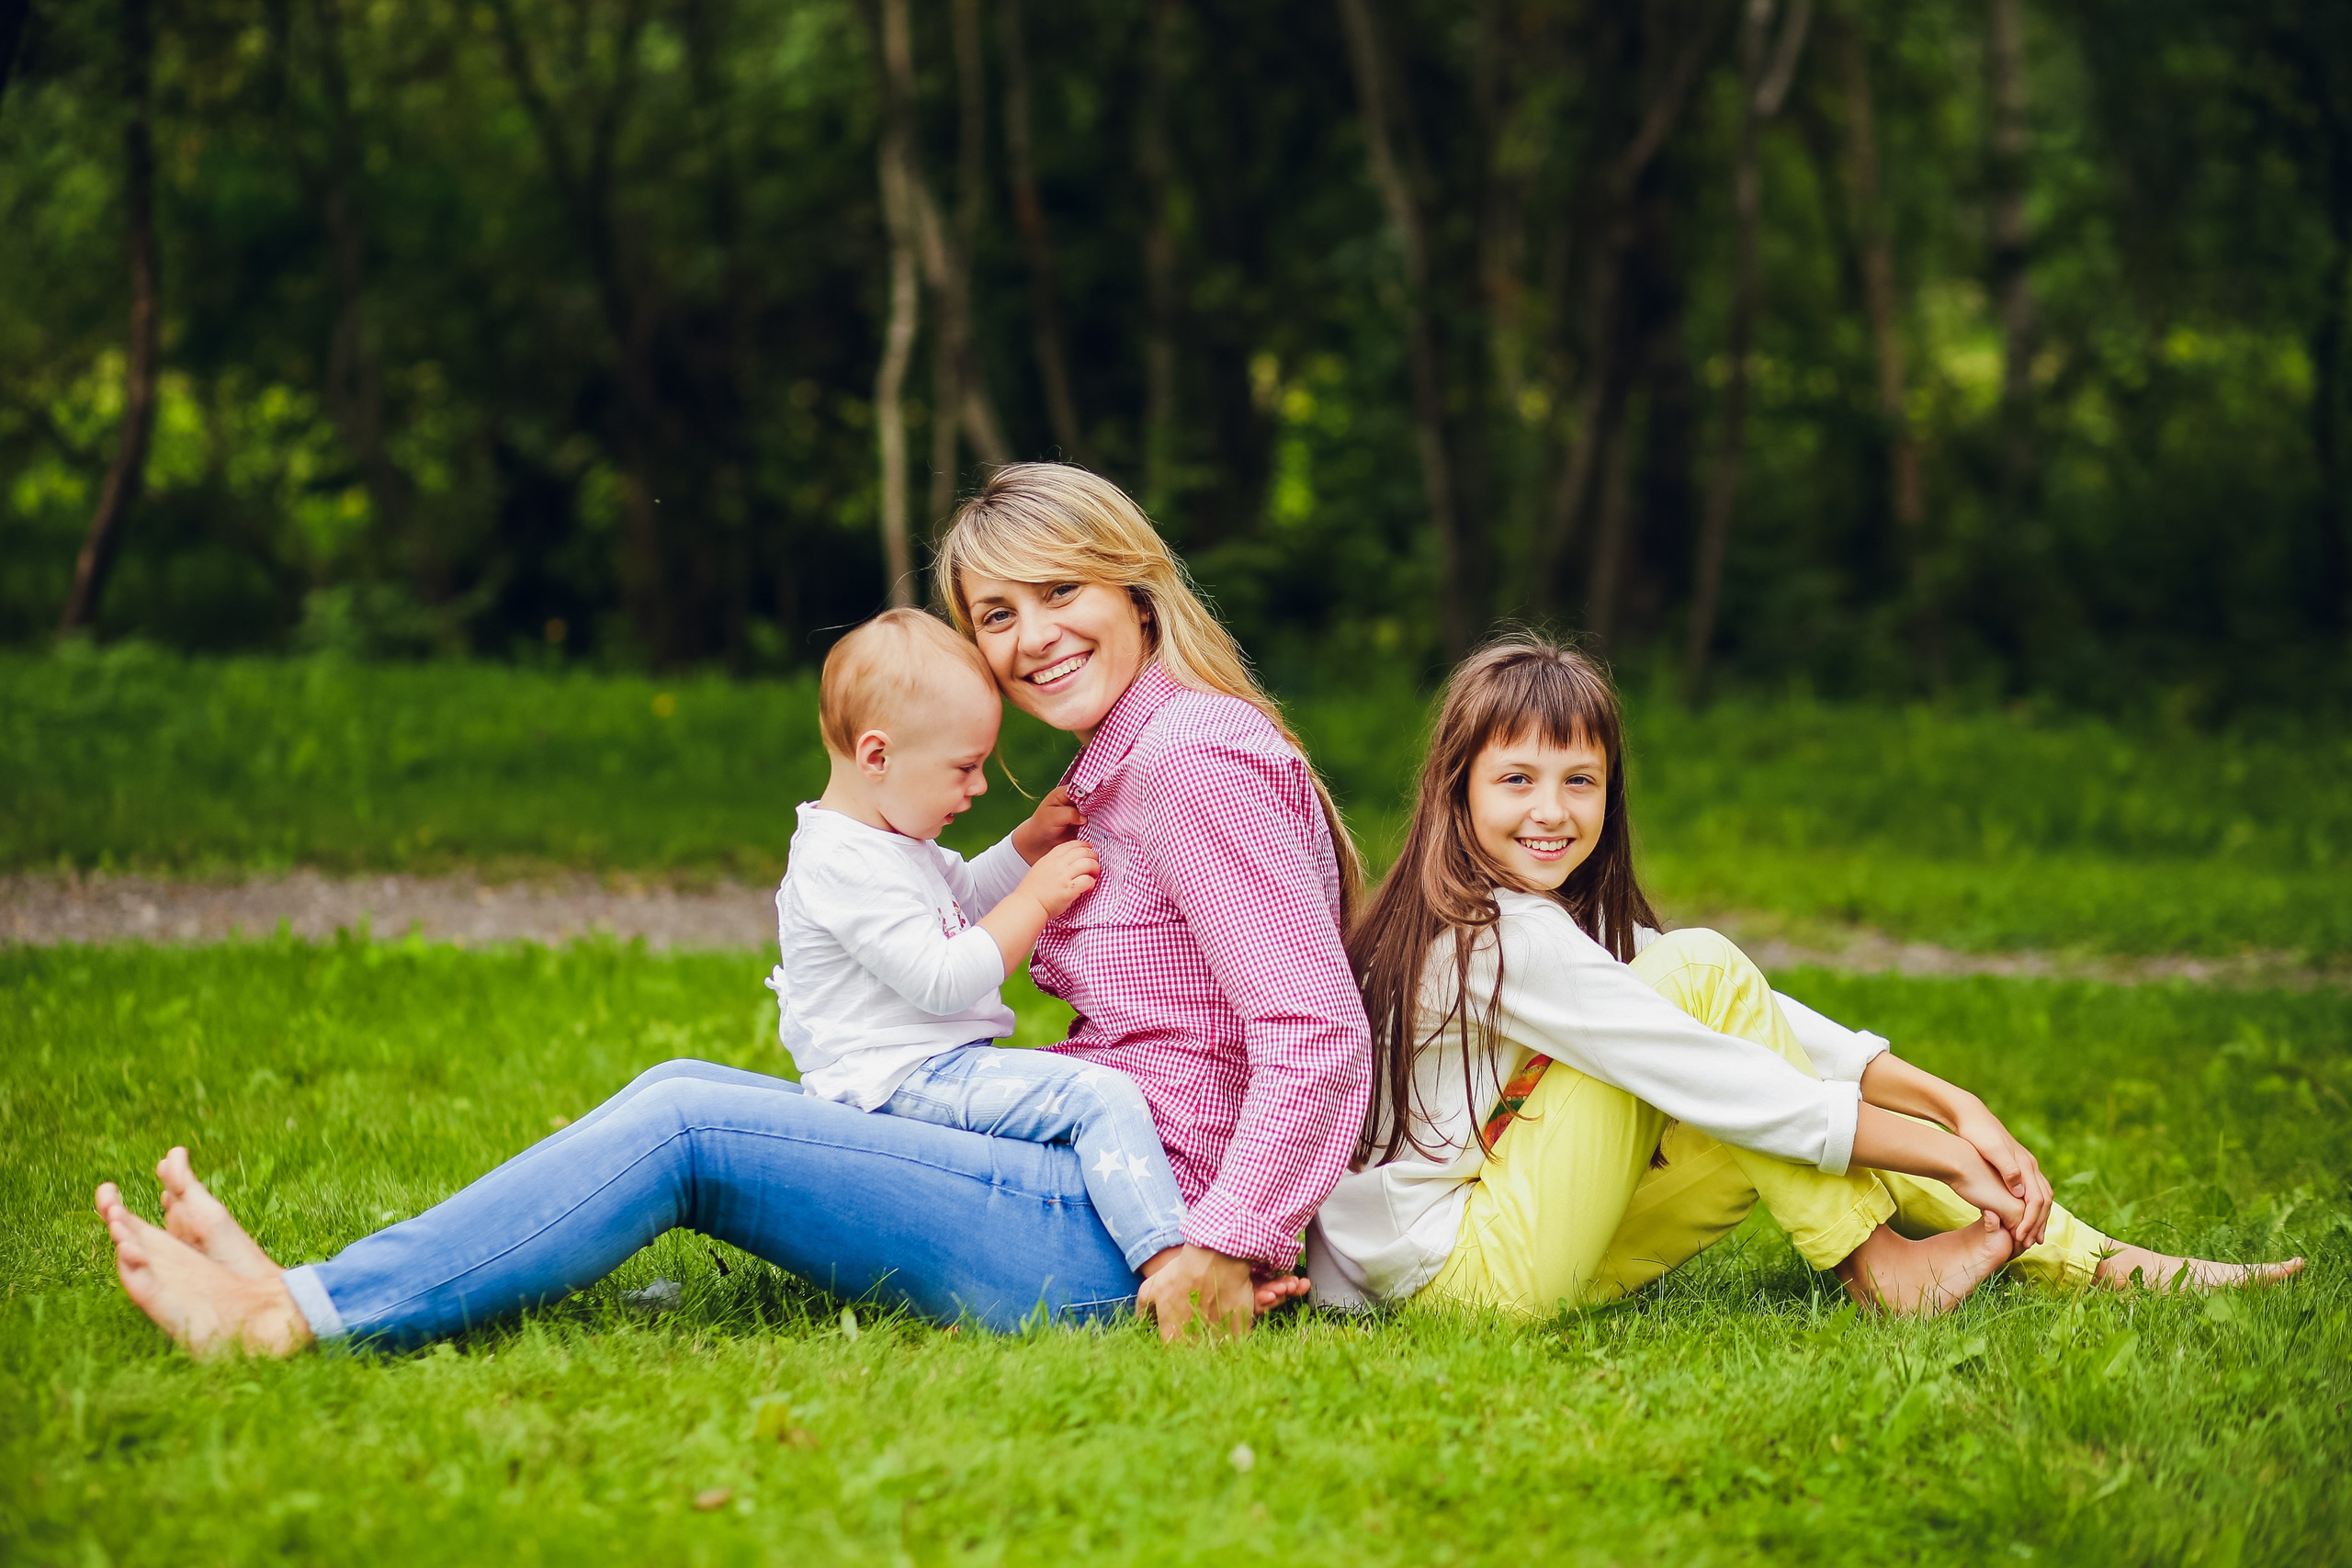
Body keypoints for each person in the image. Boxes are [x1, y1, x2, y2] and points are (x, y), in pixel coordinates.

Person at [93, 462, 1366, 1357]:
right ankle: (304, 1294)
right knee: (689, 1103)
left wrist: (1221, 1243)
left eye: (1062, 593)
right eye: (997, 612)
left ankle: (288, 1315)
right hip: (1079, 1187)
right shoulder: (1124, 763)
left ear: (1136, 588)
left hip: (1125, 1236)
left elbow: (1314, 1030)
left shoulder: (1192, 757)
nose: (1032, 635)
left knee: (690, 1113)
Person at [1307, 636, 2303, 1319]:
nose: (1552, 811)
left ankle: (2089, 1261)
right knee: (1703, 988)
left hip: (1502, 1247)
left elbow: (1755, 1029)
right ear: (1456, 788)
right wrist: (1938, 1152)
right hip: (1463, 1279)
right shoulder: (1490, 936)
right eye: (1514, 780)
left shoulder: (1541, 924)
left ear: (1611, 794)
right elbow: (1712, 1067)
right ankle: (1883, 1272)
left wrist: (1951, 1104)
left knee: (1707, 999)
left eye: (1581, 781)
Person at [772, 606, 1185, 1273]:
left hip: (924, 1066)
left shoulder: (890, 840)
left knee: (1088, 1093)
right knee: (1098, 1094)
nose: (980, 785)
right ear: (877, 755)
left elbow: (962, 895)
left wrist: (1025, 846)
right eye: (964, 767)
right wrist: (1035, 898)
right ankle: (1171, 1266)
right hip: (898, 1079)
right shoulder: (841, 862)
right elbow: (943, 981)